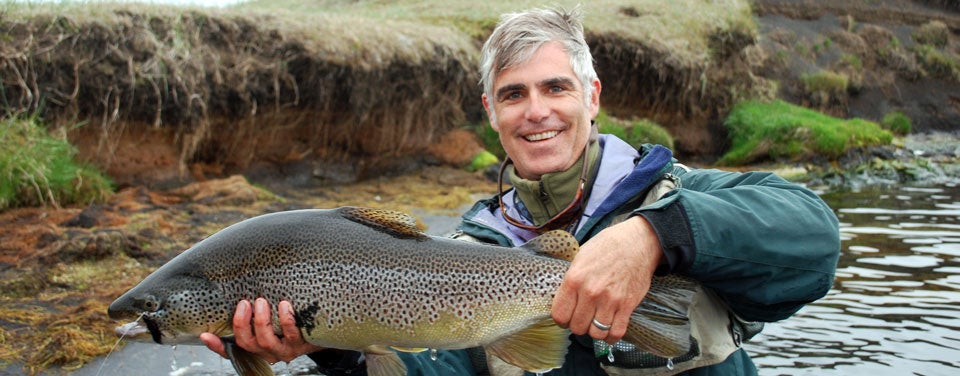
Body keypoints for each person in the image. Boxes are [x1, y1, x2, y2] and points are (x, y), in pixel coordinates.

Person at [201, 6, 840, 375]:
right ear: (492, 112)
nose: (536, 111)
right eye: (514, 94)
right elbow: (441, 369)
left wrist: (655, 236)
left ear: (592, 97)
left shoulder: (678, 191)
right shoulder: (475, 246)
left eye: (555, 88)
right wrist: (331, 348)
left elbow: (813, 236)